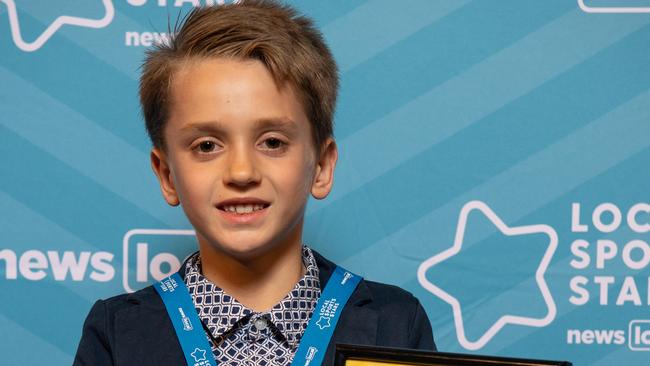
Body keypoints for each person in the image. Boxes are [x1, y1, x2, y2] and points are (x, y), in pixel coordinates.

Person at [73, 1, 435, 364]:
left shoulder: (396, 325)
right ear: (167, 175)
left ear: (322, 166)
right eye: (207, 146)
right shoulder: (117, 333)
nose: (242, 172)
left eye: (273, 142)